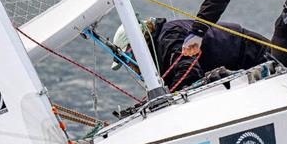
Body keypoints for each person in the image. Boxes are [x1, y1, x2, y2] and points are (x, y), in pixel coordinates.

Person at [111, 18, 269, 90]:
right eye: (125, 63)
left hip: (254, 55)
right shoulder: (160, 48)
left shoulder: (169, 36)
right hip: (242, 63)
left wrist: (167, 100)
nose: (130, 66)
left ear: (140, 44)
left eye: (129, 58)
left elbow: (188, 71)